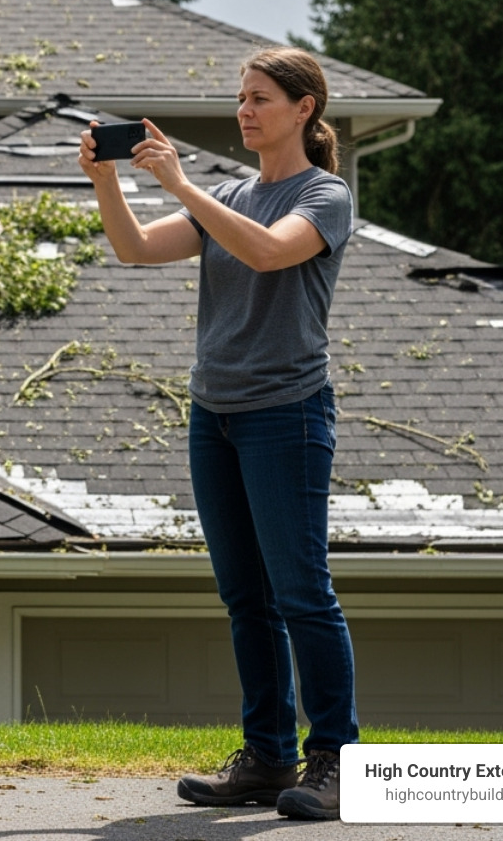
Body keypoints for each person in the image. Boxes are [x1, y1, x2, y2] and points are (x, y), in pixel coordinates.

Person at [77, 46, 357, 821]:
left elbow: (269, 252)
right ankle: (268, 757)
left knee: (302, 593)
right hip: (216, 414)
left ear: (303, 109)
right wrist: (107, 178)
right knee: (246, 596)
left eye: (260, 97)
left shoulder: (326, 194)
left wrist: (180, 183)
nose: (245, 110)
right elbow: (134, 249)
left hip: (288, 413)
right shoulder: (230, 193)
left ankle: (336, 760)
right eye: (240, 97)